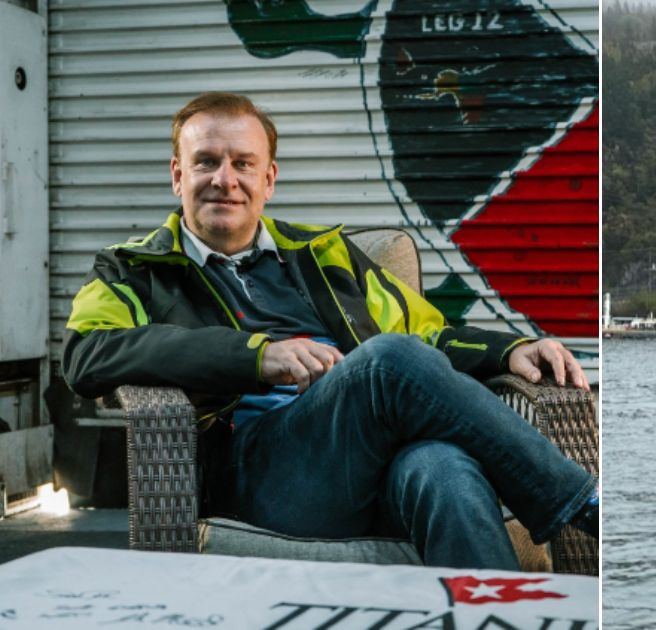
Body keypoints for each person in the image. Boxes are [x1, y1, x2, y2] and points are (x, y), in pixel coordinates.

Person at [61, 92, 598, 570]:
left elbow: (427, 334)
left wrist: (511, 348)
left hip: (374, 464)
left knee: (444, 468)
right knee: (388, 361)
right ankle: (581, 505)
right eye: (206, 162)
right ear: (178, 175)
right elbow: (89, 353)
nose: (225, 179)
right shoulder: (133, 266)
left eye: (243, 163)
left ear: (268, 179)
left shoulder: (324, 255)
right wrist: (257, 356)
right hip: (261, 474)